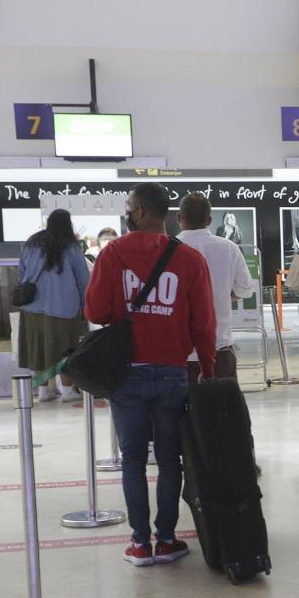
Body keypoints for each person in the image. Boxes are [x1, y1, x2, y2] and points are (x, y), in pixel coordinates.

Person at [85, 182, 216, 567]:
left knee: (133, 460)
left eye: (129, 206)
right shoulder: (189, 259)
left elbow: (96, 312)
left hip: (126, 372)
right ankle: (167, 539)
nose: (127, 212)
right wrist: (206, 367)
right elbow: (203, 323)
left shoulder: (112, 254)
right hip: (173, 371)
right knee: (170, 458)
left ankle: (140, 544)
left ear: (140, 210)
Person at [175, 193, 257, 384]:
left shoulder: (168, 250)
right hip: (219, 347)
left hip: (178, 353)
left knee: (180, 412)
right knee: (222, 411)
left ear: (179, 217)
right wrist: (224, 296)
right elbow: (245, 288)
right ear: (210, 220)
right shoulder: (229, 248)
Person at [16, 209, 90, 402]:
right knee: (65, 349)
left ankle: (43, 391)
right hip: (63, 308)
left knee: (37, 349)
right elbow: (83, 280)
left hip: (31, 308)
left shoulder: (31, 243)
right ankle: (67, 390)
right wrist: (86, 306)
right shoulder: (70, 247)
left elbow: (21, 274)